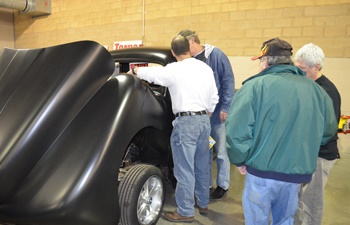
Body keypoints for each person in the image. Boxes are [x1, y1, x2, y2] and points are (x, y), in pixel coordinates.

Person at [225, 38, 338, 225]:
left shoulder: (254, 87)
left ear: (266, 61)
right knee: (285, 220)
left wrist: (239, 159)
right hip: (294, 176)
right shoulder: (316, 91)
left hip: (261, 172)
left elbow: (236, 130)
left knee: (256, 220)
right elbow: (328, 131)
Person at [129, 35, 219, 223]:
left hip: (186, 123)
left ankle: (185, 211)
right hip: (204, 121)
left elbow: (153, 75)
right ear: (189, 48)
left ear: (173, 52)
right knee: (202, 165)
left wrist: (135, 70)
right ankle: (203, 203)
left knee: (184, 169)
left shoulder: (174, 69)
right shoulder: (205, 68)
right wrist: (206, 113)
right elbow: (214, 97)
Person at [178, 29, 235, 200]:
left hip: (217, 116)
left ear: (193, 41)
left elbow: (228, 81)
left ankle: (223, 184)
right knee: (205, 152)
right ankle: (207, 184)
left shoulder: (216, 55)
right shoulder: (189, 61)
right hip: (201, 118)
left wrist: (225, 108)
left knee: (222, 151)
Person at [293, 43, 341, 225]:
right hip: (304, 152)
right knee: (295, 198)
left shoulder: (327, 92)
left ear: (317, 67)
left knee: (312, 202)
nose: (298, 72)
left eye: (302, 69)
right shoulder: (306, 84)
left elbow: (326, 130)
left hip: (320, 155)